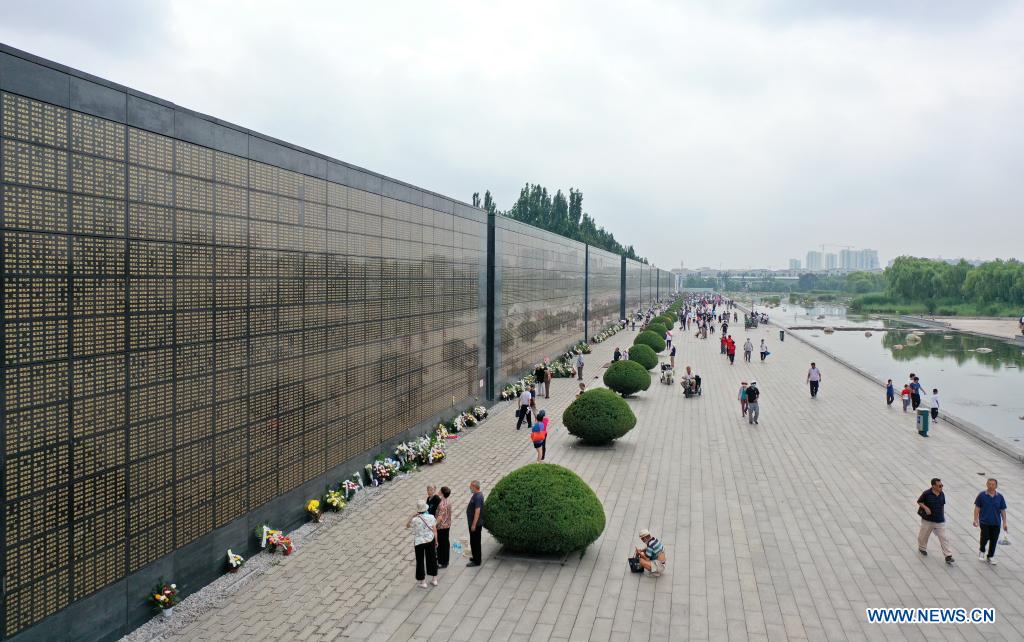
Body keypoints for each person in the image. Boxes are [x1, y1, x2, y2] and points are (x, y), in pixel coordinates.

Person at [917, 478, 954, 565]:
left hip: (939, 520)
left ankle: (948, 556)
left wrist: (943, 516)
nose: (941, 487)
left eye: (942, 485)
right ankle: (922, 547)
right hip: (928, 520)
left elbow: (942, 506)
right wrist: (926, 508)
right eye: (939, 486)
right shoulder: (926, 493)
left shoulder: (942, 494)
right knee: (923, 536)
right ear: (933, 486)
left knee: (944, 537)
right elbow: (919, 502)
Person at [973, 478, 1008, 565]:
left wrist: (1004, 523)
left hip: (996, 523)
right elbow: (977, 508)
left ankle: (990, 556)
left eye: (993, 484)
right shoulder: (982, 495)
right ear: (986, 484)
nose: (991, 486)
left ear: (996, 486)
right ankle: (982, 550)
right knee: (985, 537)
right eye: (989, 484)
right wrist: (975, 519)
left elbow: (1002, 510)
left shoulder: (1000, 497)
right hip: (985, 521)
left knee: (994, 540)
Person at [406, 499, 438, 587]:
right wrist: (436, 541)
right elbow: (435, 531)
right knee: (432, 558)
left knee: (420, 561)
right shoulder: (431, 517)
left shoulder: (415, 520)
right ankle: (434, 579)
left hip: (419, 542)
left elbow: (407, 525)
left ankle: (423, 581)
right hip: (430, 540)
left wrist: (412, 516)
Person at [466, 481, 484, 567]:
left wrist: (473, 524)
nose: (470, 488)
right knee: (473, 541)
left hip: (476, 524)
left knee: (475, 542)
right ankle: (475, 557)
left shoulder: (478, 496)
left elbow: (477, 511)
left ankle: (477, 561)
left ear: (474, 487)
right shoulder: (476, 495)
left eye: (471, 487)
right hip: (473, 523)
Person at [436, 487, 452, 568]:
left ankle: (443, 562)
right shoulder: (447, 501)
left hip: (441, 527)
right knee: (446, 543)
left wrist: (434, 524)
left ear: (442, 493)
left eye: (439, 490)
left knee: (442, 544)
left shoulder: (442, 504)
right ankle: (445, 560)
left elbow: (440, 517)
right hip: (447, 525)